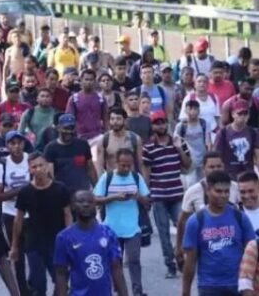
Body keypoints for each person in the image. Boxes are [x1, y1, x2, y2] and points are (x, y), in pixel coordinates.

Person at [182, 170, 256, 296]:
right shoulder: (196, 221)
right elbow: (190, 262)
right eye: (218, 191)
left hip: (237, 285)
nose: (223, 195)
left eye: (226, 191)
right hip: (209, 286)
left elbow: (253, 254)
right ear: (208, 191)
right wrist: (185, 292)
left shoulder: (240, 218)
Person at [10, 152, 72, 296]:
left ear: (47, 167)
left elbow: (67, 214)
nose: (38, 169)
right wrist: (14, 246)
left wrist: (70, 239)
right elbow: (18, 219)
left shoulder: (60, 188)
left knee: (61, 281)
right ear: (29, 169)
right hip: (34, 243)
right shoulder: (25, 192)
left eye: (41, 165)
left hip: (57, 242)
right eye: (34, 167)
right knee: (39, 284)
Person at [93, 148, 150, 296]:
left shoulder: (136, 178)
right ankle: (119, 289)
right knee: (115, 263)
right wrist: (114, 197)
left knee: (134, 260)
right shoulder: (107, 178)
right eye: (123, 165)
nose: (126, 168)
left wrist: (139, 197)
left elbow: (148, 202)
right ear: (115, 163)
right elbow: (95, 199)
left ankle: (138, 291)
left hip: (133, 229)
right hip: (111, 229)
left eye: (129, 165)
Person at [143, 110, 191, 278]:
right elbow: (146, 173)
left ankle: (182, 258)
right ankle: (170, 265)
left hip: (177, 194)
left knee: (183, 229)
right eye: (157, 122)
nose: (161, 125)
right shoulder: (148, 147)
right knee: (163, 233)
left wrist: (179, 149)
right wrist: (147, 195)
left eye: (163, 122)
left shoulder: (178, 142)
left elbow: (187, 165)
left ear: (167, 123)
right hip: (158, 196)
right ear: (152, 125)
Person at [54, 190, 130, 296]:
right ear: (73, 206)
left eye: (90, 202)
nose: (85, 204)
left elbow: (116, 268)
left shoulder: (108, 233)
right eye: (81, 201)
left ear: (95, 205)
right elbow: (61, 273)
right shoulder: (64, 237)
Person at [174, 152, 240, 269]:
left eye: (218, 166)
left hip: (231, 245)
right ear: (204, 169)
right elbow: (182, 221)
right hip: (205, 248)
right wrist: (179, 247)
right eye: (211, 167)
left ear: (223, 167)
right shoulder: (193, 192)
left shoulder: (235, 188)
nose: (215, 169)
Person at [0, 130, 31, 294]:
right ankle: (22, 290)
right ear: (7, 146)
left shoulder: (31, 159)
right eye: (12, 143)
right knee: (17, 255)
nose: (16, 146)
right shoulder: (2, 165)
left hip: (33, 214)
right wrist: (19, 191)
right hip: (11, 214)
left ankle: (33, 284)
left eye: (19, 142)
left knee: (36, 253)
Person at [43, 113, 97, 194]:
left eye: (72, 128)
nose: (69, 131)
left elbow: (90, 169)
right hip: (62, 193)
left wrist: (97, 189)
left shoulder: (83, 145)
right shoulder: (50, 148)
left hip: (82, 192)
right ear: (58, 128)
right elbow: (50, 175)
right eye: (66, 128)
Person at [214, 99, 259, 180]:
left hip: (248, 175)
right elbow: (217, 156)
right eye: (240, 113)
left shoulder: (253, 132)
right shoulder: (223, 133)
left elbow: (257, 155)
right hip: (229, 176)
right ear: (233, 114)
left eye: (246, 113)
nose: (243, 116)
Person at [96, 107, 143, 174]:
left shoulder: (135, 139)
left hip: (131, 180)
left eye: (118, 119)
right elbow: (99, 167)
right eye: (112, 119)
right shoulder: (103, 140)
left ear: (125, 120)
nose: (115, 122)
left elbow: (140, 164)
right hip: (112, 181)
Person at [175, 100, 212, 182]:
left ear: (199, 111)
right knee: (191, 186)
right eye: (190, 109)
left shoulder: (204, 124)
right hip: (189, 161)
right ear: (185, 111)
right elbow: (177, 143)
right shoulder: (181, 126)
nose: (193, 112)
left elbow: (208, 141)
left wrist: (209, 158)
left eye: (195, 109)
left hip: (203, 159)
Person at [65, 69, 107, 141]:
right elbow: (69, 120)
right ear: (81, 81)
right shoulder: (74, 99)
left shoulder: (101, 98)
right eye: (86, 79)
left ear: (95, 81)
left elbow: (106, 118)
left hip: (97, 136)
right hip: (79, 137)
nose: (89, 82)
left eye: (91, 80)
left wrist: (107, 133)